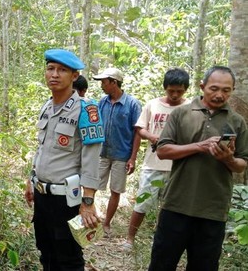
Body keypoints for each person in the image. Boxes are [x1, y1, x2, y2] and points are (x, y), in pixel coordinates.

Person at [148, 65, 248, 271]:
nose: (220, 95)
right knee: (162, 263)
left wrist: (228, 159)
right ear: (202, 86)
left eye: (226, 90)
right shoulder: (181, 114)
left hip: (214, 210)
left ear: (232, 90)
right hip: (176, 204)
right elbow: (163, 150)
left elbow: (241, 164)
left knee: (204, 266)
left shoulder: (237, 122)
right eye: (214, 88)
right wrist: (199, 146)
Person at [25, 49, 103, 271]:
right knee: (46, 251)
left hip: (67, 201)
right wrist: (31, 179)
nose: (54, 74)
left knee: (68, 258)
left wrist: (88, 203)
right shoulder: (47, 107)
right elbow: (41, 148)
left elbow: (91, 160)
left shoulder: (87, 110)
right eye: (50, 69)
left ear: (74, 76)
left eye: (62, 70)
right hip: (42, 197)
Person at [123, 68, 190, 250]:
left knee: (171, 208)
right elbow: (140, 129)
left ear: (186, 89)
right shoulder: (153, 105)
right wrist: (152, 137)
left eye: (179, 91)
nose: (175, 95)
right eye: (171, 90)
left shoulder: (190, 107)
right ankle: (130, 238)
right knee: (142, 203)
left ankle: (163, 240)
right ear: (165, 88)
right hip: (153, 165)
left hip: (178, 167)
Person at [92, 67, 141, 236]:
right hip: (102, 152)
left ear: (114, 82)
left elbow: (137, 133)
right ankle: (91, 216)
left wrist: (133, 158)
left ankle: (106, 223)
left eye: (104, 82)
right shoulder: (102, 103)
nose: (102, 86)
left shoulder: (132, 104)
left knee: (115, 190)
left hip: (122, 155)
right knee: (92, 185)